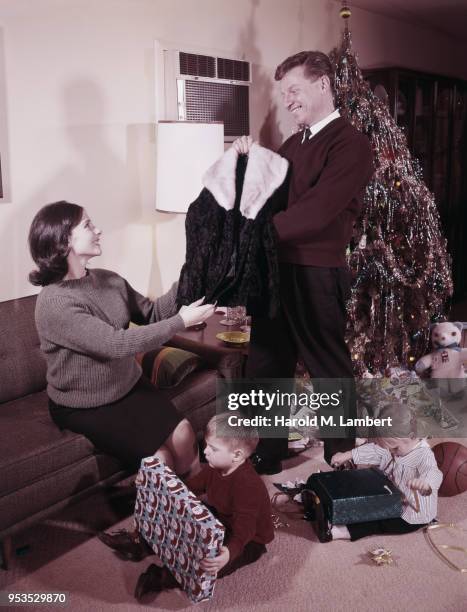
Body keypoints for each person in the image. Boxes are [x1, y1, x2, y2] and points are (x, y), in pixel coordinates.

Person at [234, 50, 374, 473]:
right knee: (267, 364)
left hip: (316, 271)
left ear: (323, 85)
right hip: (277, 273)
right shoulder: (292, 144)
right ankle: (269, 452)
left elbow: (317, 210)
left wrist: (261, 235)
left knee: (328, 367)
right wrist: (245, 165)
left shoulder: (352, 144)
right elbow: (264, 200)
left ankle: (340, 453)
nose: (287, 100)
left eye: (294, 90)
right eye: (283, 93)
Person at [29, 200, 215, 482]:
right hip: (84, 404)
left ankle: (202, 507)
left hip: (127, 385)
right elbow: (116, 344)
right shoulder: (54, 303)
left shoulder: (109, 280)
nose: (98, 229)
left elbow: (152, 314)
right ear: (64, 240)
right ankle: (169, 522)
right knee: (159, 460)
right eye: (88, 225)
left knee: (184, 435)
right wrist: (181, 322)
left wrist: (188, 275)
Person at [133, 411, 274, 600]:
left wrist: (228, 553)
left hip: (249, 540)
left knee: (209, 566)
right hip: (222, 520)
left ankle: (161, 577)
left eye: (213, 448)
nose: (205, 451)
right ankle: (142, 543)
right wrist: (161, 489)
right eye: (207, 445)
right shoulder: (215, 468)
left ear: (237, 455)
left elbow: (245, 529)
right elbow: (190, 489)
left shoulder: (248, 486)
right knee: (183, 517)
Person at [312, 404, 443, 542]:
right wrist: (348, 454)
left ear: (411, 436)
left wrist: (425, 483)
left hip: (411, 512)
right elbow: (376, 450)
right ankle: (329, 508)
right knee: (363, 496)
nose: (391, 452)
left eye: (395, 448)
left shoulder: (424, 455)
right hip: (388, 494)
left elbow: (434, 472)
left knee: (379, 523)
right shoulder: (395, 447)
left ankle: (339, 531)